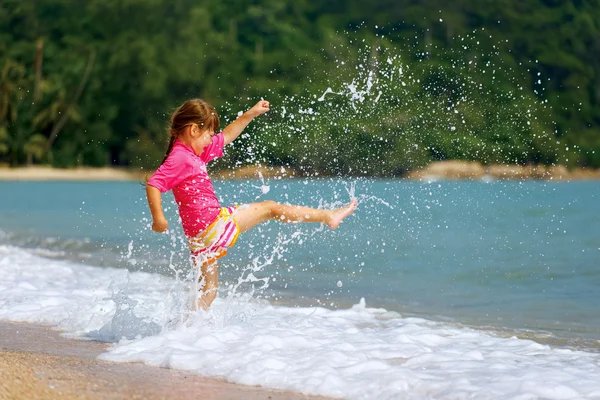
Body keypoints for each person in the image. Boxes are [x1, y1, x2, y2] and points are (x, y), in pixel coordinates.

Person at [146, 98, 357, 310]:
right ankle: (327, 216)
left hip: (199, 237)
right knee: (270, 208)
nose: (211, 141)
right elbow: (154, 184)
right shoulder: (181, 157)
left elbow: (227, 135)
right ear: (193, 130)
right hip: (212, 225)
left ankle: (184, 330)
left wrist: (251, 113)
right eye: (208, 135)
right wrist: (159, 219)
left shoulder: (194, 152)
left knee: (209, 290)